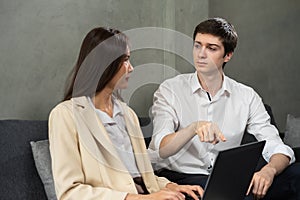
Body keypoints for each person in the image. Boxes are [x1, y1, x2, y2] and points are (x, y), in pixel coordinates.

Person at [149, 17, 300, 200]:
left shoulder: (246, 96)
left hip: (227, 178)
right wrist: (193, 128)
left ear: (227, 55)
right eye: (198, 45)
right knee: (229, 195)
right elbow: (160, 149)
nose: (201, 54)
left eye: (211, 48)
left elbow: (276, 146)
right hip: (181, 176)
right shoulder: (170, 90)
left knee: (295, 175)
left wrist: (268, 171)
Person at [48, 27, 203, 200]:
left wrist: (174, 186)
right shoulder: (66, 115)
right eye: (125, 60)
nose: (131, 68)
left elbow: (143, 177)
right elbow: (70, 193)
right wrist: (139, 199)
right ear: (105, 64)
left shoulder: (128, 115)